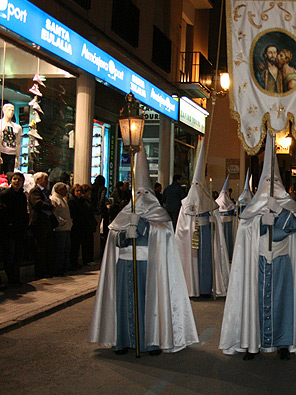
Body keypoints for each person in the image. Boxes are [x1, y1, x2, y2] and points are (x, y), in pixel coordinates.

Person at [219, 132, 296, 360]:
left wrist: (279, 212)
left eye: (274, 182)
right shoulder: (253, 209)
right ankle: (251, 342)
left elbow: (295, 227)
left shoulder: (289, 205)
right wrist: (259, 222)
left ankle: (283, 343)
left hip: (282, 261)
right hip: (257, 262)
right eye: (267, 183)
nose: (270, 188)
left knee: (283, 301)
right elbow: (245, 232)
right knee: (253, 301)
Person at [89, 145, 199, 355]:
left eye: (144, 192)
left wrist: (141, 227)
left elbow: (163, 238)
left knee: (150, 305)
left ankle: (152, 341)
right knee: (123, 302)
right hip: (125, 265)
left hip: (150, 266)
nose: (140, 197)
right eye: (137, 193)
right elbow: (114, 240)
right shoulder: (124, 213)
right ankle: (122, 340)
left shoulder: (160, 216)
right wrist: (124, 234)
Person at [175, 141, 230, 298]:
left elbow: (216, 217)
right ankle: (192, 288)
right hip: (192, 236)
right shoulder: (186, 204)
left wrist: (213, 219)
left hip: (206, 235)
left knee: (206, 263)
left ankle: (206, 289)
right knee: (192, 262)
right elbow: (181, 227)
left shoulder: (208, 202)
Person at [0, 172, 28, 287]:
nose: (16, 182)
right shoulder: (5, 194)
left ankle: (16, 278)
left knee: (17, 256)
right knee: (10, 256)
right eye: (14, 179)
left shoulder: (22, 195)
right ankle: (11, 278)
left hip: (19, 231)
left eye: (19, 180)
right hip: (9, 231)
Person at [28, 172, 56, 279]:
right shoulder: (35, 191)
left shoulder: (44, 192)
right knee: (40, 249)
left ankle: (47, 270)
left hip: (46, 224)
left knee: (47, 248)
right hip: (39, 224)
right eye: (45, 179)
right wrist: (50, 207)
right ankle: (40, 272)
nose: (47, 182)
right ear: (38, 180)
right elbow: (37, 203)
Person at [69, 184, 96, 268]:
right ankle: (73, 263)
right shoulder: (72, 201)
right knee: (74, 246)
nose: (79, 193)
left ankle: (76, 262)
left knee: (78, 246)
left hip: (82, 226)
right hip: (75, 226)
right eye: (77, 191)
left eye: (80, 191)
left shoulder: (82, 201)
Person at [51, 183, 72, 275]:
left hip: (66, 227)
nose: (66, 192)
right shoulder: (54, 200)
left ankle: (65, 265)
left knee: (66, 248)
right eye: (64, 189)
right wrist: (61, 222)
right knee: (60, 249)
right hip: (60, 228)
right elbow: (54, 214)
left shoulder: (63, 200)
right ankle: (58, 267)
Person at [216, 175, 237, 261]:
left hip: (228, 224)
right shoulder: (220, 202)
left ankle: (228, 255)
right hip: (222, 223)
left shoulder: (228, 203)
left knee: (227, 239)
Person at [0, 103, 21, 174]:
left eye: (12, 110)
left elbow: (18, 143)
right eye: (9, 110)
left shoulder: (17, 127)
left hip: (12, 154)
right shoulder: (0, 123)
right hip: (2, 152)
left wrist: (17, 158)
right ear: (4, 110)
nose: (11, 112)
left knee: (9, 175)